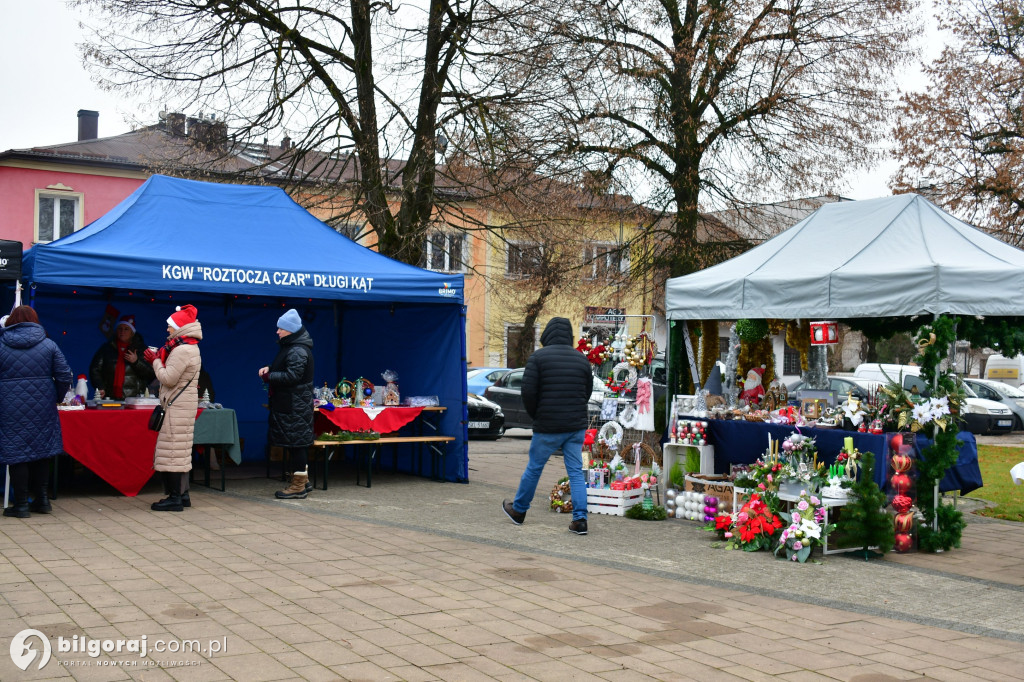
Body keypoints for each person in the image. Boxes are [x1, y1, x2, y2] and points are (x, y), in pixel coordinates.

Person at [502, 317, 593, 535]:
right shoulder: (582, 360)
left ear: (548, 335)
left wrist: (537, 416)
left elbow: (528, 393)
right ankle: (580, 520)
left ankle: (519, 510)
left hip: (547, 426)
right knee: (576, 472)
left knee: (534, 468)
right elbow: (586, 392)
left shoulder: (538, 358)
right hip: (575, 426)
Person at [0, 306, 72, 518]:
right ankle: (42, 500)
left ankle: (21, 504)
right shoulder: (48, 344)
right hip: (42, 406)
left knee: (17, 454)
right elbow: (64, 376)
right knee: (43, 451)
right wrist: (56, 398)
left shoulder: (1, 344)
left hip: (9, 407)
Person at [143, 305, 201, 512]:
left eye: (170, 326)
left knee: (172, 451)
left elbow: (167, 378)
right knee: (180, 450)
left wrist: (155, 361)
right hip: (183, 405)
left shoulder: (182, 350)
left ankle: (174, 497)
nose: (167, 329)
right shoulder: (188, 347)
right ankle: (182, 494)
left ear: (180, 327)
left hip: (177, 407)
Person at [260, 308, 315, 500]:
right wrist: (271, 368)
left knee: (297, 445)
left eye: (280, 328)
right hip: (292, 405)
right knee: (295, 444)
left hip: (294, 406)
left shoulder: (297, 350)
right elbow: (288, 369)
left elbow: (293, 376)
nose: (277, 331)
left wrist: (269, 376)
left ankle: (298, 486)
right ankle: (303, 481)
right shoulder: (292, 347)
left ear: (289, 330)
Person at [89, 314, 155, 399]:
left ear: (132, 332)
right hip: (109, 397)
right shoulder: (106, 348)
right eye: (120, 328)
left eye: (126, 329)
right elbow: (95, 369)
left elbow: (151, 373)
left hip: (134, 399)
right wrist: (100, 387)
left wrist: (136, 362)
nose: (122, 331)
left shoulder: (141, 349)